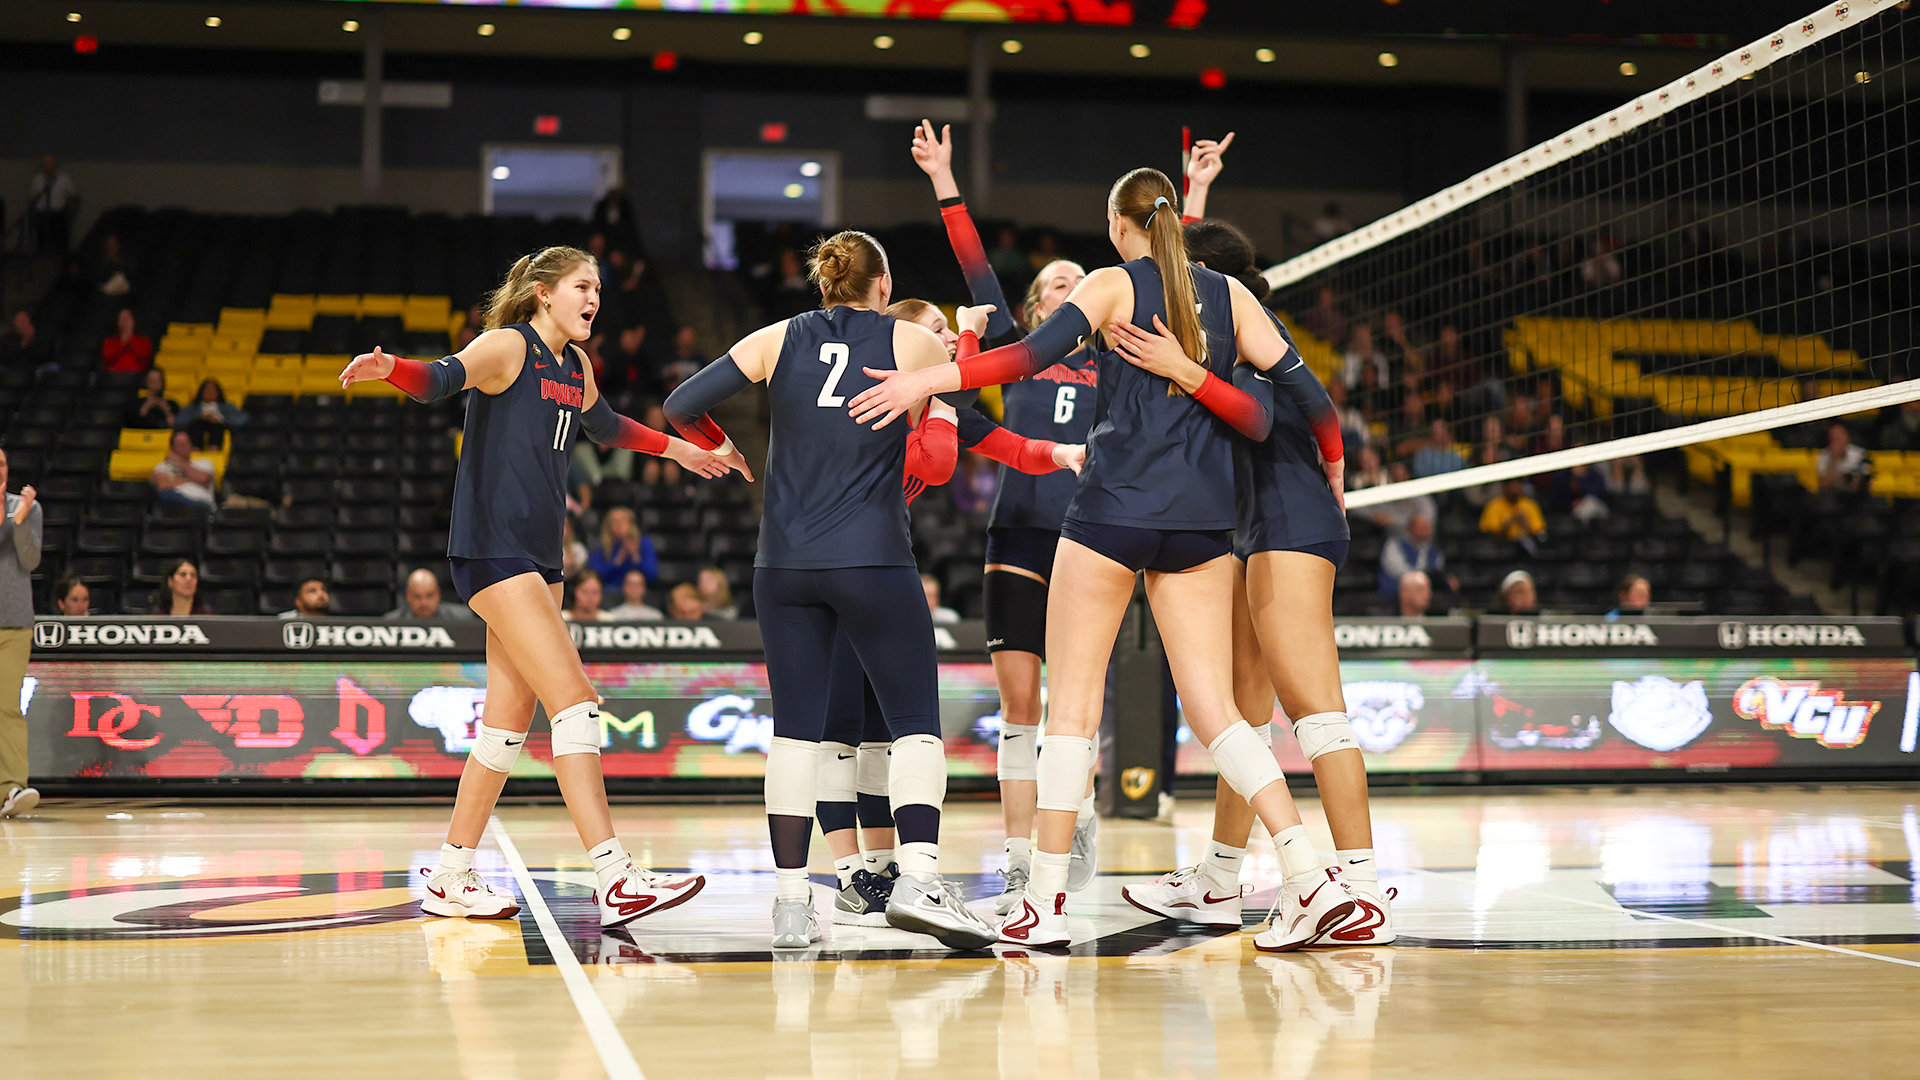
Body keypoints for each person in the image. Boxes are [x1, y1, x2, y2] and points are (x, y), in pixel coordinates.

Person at [847, 166, 1358, 951]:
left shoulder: (1115, 287)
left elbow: (1024, 358)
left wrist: (931, 375)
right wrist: (1203, 380)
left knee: (1071, 714)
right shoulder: (1233, 296)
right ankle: (1309, 876)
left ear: (1119, 225)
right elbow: (1265, 416)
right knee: (1219, 715)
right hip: (1202, 525)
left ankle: (1042, 905)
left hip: (1113, 512)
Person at [341, 244, 738, 929]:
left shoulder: (577, 366)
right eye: (583, 286)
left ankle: (450, 874)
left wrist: (688, 452)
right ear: (544, 292)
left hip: (539, 560)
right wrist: (390, 369)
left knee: (505, 728)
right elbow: (437, 380)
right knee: (577, 705)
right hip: (494, 554)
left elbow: (609, 428)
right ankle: (616, 878)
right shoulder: (507, 346)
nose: (594, 299)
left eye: (599, 290)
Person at [663, 228, 999, 951]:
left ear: (822, 286)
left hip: (782, 565)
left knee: (795, 734)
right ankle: (918, 878)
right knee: (913, 723)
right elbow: (965, 397)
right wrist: (964, 338)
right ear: (884, 287)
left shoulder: (774, 338)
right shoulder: (909, 343)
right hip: (871, 557)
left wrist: (719, 444)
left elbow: (682, 402)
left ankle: (791, 906)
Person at [1104, 213, 1394, 946]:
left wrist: (1329, 462)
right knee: (1243, 717)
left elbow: (1269, 419)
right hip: (1259, 531)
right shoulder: (1235, 329)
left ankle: (1359, 892)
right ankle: (1217, 879)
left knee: (1318, 714)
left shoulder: (1240, 347)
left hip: (1292, 528)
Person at [909, 121, 1106, 914]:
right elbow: (972, 265)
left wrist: (1191, 200)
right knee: (1021, 708)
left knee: (1074, 706)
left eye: (1081, 282)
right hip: (1021, 533)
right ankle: (1021, 855)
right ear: (1034, 304)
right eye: (1059, 283)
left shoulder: (1121, 355)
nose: (1072, 289)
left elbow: (1174, 289)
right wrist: (944, 179)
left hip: (1091, 538)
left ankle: (1077, 811)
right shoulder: (1020, 348)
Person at [0, 451, 40, 818]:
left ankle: (12, 788)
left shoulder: (27, 507)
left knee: (7, 706)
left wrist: (20, 522)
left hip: (13, 623)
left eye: (0, 464)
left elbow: (30, 560)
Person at [587, 505, 656, 595]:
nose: (619, 525)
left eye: (623, 520)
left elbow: (652, 575)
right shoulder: (600, 546)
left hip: (637, 593)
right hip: (609, 592)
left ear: (631, 523)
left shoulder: (643, 543)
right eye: (614, 521)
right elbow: (596, 575)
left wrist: (635, 556)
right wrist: (616, 562)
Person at [1378, 512, 1449, 595]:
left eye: (1427, 526)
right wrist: (1420, 579)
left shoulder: (1434, 548)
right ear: (1410, 528)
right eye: (1421, 526)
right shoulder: (1395, 544)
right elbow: (1397, 570)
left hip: (1425, 594)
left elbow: (1437, 568)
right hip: (1395, 592)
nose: (1425, 529)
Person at [150, 431, 218, 513]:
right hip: (174, 506)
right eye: (179, 444)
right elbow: (163, 486)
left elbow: (203, 479)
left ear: (191, 445)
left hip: (202, 505)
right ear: (173, 448)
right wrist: (191, 479)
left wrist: (180, 461)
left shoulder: (204, 463)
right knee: (167, 494)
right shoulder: (163, 466)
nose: (183, 447)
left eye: (185, 443)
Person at [174, 378, 247, 450]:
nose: (210, 393)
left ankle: (214, 449)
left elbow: (241, 421)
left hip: (219, 427)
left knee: (216, 426)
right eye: (207, 390)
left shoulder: (227, 407)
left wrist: (221, 419)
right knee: (196, 425)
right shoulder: (193, 407)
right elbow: (179, 421)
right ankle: (196, 450)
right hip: (197, 427)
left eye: (213, 390)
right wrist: (199, 417)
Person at [27, 155, 78, 254]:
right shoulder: (38, 179)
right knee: (41, 244)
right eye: (45, 165)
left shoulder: (64, 179)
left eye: (50, 165)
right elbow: (31, 198)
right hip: (42, 214)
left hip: (58, 214)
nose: (48, 168)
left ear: (55, 166)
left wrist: (70, 213)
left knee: (61, 245)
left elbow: (73, 196)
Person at [1481, 478, 1547, 553]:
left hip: (1527, 547)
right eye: (1511, 484)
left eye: (1517, 484)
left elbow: (1539, 534)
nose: (1514, 487)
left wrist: (1524, 523)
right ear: (1504, 487)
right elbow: (1491, 535)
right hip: (1502, 548)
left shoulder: (1530, 505)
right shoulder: (1494, 505)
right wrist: (1506, 526)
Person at [385, 568, 475, 621]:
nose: (424, 602)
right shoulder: (392, 622)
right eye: (417, 596)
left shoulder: (462, 618)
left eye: (429, 595)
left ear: (438, 593)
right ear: (408, 596)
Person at [1816, 422, 1870, 492]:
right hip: (1833, 493)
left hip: (1855, 494)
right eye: (1833, 439)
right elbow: (1824, 485)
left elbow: (1862, 482)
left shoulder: (1860, 454)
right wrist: (1833, 459)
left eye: (1838, 439)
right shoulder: (1823, 456)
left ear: (1847, 437)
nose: (1836, 443)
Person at [99, 309, 153, 374]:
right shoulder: (110, 341)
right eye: (121, 319)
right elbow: (107, 359)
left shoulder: (144, 340)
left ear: (133, 321)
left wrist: (130, 339)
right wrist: (123, 343)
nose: (124, 323)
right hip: (113, 376)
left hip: (136, 376)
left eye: (127, 319)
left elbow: (144, 358)